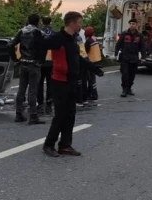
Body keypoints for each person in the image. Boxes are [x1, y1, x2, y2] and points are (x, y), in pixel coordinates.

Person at [41, 12, 104, 157]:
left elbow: (79, 59)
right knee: (60, 115)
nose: (80, 25)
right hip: (59, 82)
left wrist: (94, 68)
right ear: (71, 23)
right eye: (79, 22)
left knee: (70, 114)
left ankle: (65, 145)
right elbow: (41, 45)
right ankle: (49, 145)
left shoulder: (73, 40)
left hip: (72, 82)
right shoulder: (57, 38)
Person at [8, 14, 46, 125]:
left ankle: (19, 114)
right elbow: (44, 48)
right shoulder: (38, 33)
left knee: (21, 89)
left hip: (23, 63)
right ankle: (33, 116)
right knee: (32, 91)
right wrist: (41, 61)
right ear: (38, 22)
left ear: (28, 21)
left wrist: (15, 58)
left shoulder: (21, 31)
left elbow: (10, 44)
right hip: (34, 65)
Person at [115, 18, 146, 98]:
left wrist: (143, 57)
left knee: (132, 75)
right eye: (131, 23)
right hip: (125, 57)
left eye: (134, 24)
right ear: (129, 24)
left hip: (134, 57)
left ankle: (129, 88)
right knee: (125, 74)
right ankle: (124, 89)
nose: (132, 25)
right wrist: (116, 54)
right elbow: (118, 44)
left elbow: (143, 46)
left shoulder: (139, 35)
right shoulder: (124, 34)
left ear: (136, 25)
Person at [38, 16, 54, 115]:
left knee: (39, 83)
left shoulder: (39, 32)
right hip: (52, 61)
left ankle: (40, 104)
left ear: (42, 22)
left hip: (41, 61)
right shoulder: (54, 33)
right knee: (50, 83)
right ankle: (49, 104)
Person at [84, 26, 102, 101]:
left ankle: (94, 95)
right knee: (92, 78)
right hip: (97, 60)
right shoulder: (95, 39)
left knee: (91, 79)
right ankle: (90, 93)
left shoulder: (88, 41)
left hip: (91, 61)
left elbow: (85, 51)